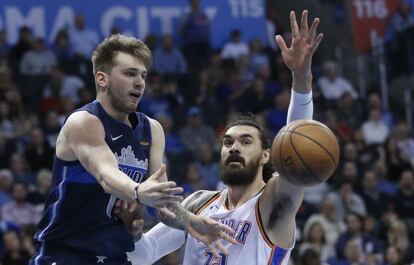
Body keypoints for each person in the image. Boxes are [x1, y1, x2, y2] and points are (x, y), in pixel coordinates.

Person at [126, 10, 324, 264]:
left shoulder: (272, 201)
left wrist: (301, 77)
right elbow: (147, 253)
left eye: (246, 141)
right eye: (228, 142)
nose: (234, 147)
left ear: (266, 155)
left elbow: (298, 146)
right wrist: (132, 232)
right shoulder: (198, 202)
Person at [29, 34, 234, 265]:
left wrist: (189, 221)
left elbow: (162, 204)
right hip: (65, 254)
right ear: (102, 79)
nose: (139, 82)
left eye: (143, 75)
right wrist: (137, 191)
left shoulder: (152, 130)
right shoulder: (84, 122)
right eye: (129, 74)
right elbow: (106, 174)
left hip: (115, 257)